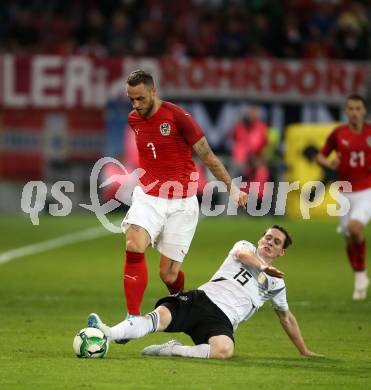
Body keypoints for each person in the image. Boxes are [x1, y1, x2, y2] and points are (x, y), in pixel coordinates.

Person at [121, 70, 247, 320]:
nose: (136, 105)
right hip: (148, 196)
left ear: (153, 92)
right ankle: (132, 318)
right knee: (133, 244)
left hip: (182, 202)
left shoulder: (179, 117)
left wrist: (231, 187)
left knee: (168, 274)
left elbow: (207, 155)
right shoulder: (133, 119)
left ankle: (181, 305)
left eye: (141, 99)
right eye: (131, 99)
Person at [88, 225, 321, 359]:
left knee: (224, 351)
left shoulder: (276, 284)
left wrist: (304, 351)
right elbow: (242, 256)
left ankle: (173, 350)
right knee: (159, 317)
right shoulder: (245, 247)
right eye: (268, 237)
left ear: (281, 253)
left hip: (222, 320)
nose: (270, 242)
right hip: (201, 300)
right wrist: (262, 266)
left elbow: (286, 317)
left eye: (276, 242)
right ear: (260, 239)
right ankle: (107, 332)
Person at [316, 94, 371, 300]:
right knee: (349, 238)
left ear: (364, 111)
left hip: (367, 190)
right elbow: (321, 155)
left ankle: (360, 275)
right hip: (345, 192)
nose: (355, 112)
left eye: (358, 108)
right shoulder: (339, 134)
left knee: (355, 228)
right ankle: (360, 274)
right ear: (346, 111)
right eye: (351, 109)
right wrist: (328, 163)